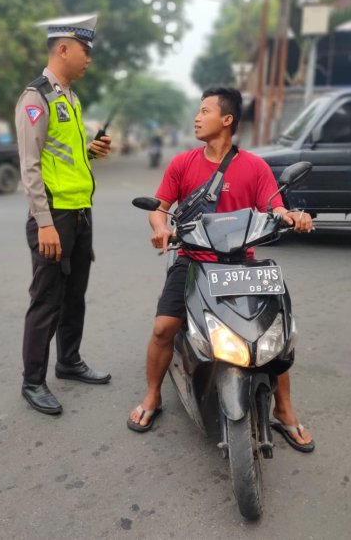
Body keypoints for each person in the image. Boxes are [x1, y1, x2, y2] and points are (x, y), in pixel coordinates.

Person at [126, 86, 316, 453]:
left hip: (242, 263)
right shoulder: (182, 163)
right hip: (194, 260)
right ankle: (152, 396)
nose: (197, 117)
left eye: (205, 111)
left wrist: (293, 216)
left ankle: (284, 409)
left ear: (226, 120)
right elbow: (159, 206)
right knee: (164, 327)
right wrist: (161, 227)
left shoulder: (255, 167)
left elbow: (275, 207)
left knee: (274, 334)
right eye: (197, 111)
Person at [15, 13, 112, 415]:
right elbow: (31, 165)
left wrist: (90, 152)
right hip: (54, 216)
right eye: (85, 51)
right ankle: (32, 381)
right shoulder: (35, 98)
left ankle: (68, 361)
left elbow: (63, 155)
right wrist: (44, 223)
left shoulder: (69, 98)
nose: (89, 59)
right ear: (64, 49)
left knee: (75, 296)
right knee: (47, 299)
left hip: (80, 213)